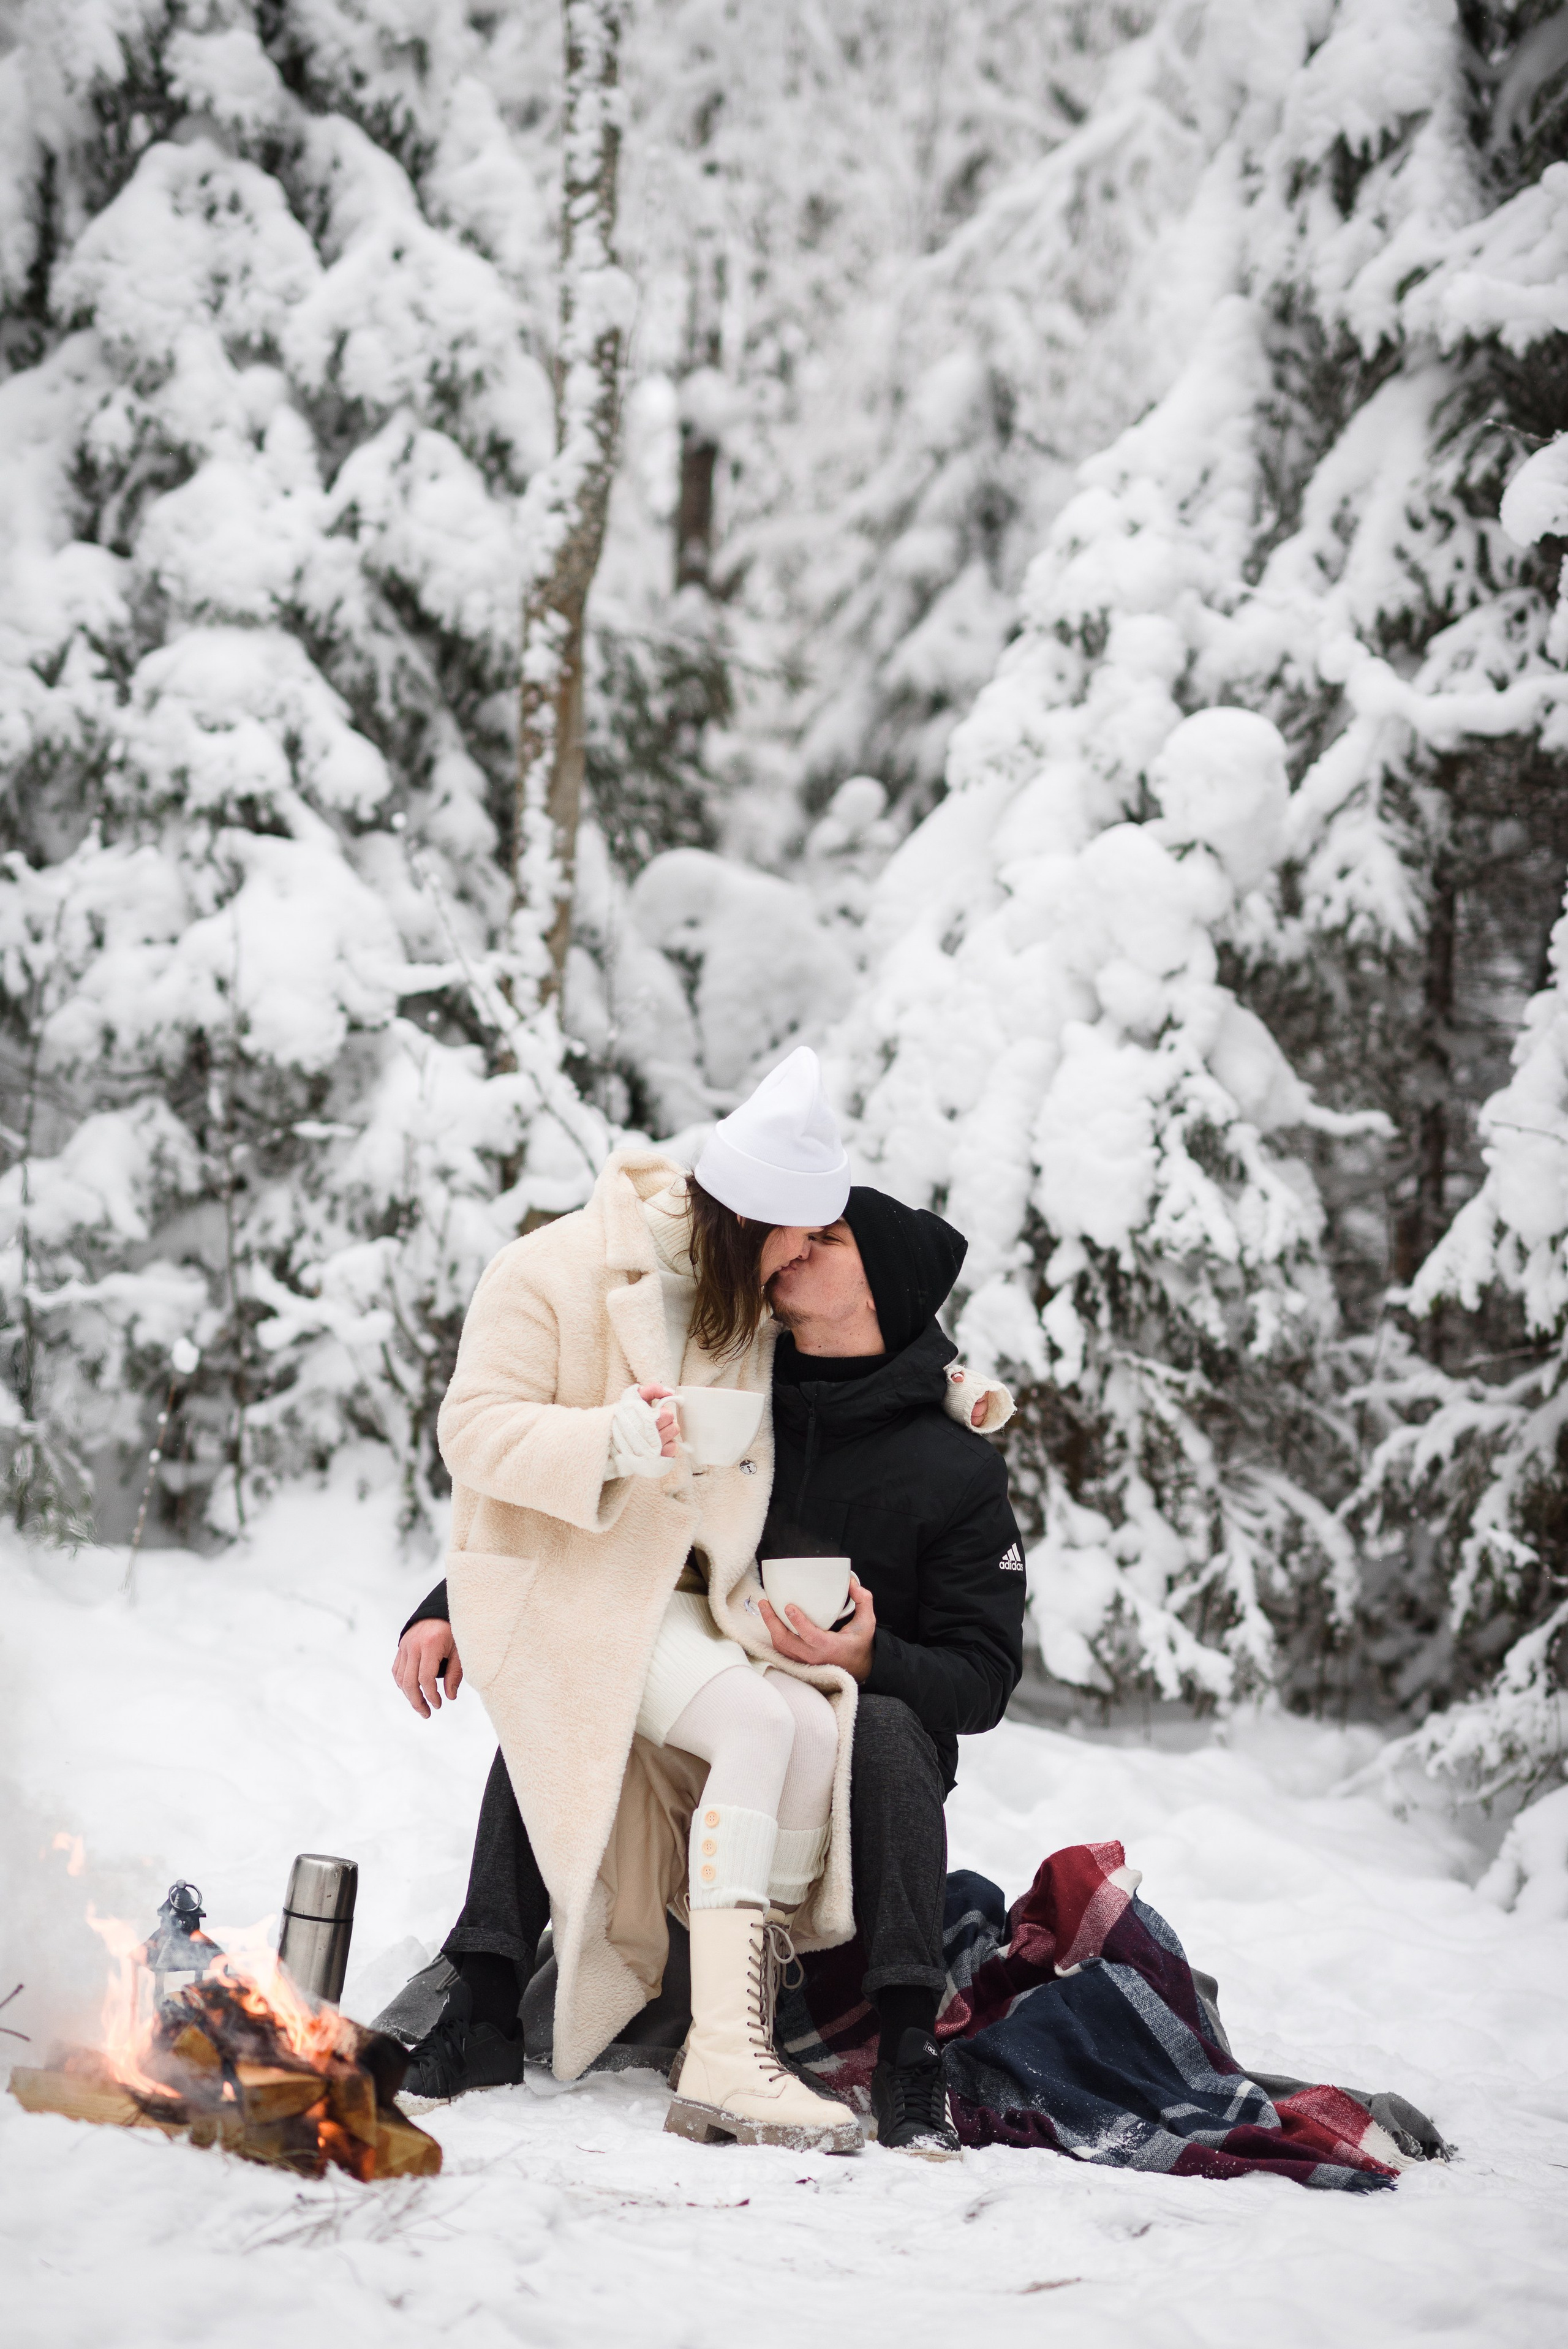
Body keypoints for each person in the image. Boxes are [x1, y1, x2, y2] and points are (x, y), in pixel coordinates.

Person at [384, 1088, 1026, 2159]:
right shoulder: (752, 1378)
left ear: (884, 1283)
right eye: (796, 1228)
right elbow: (621, 1527)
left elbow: (984, 1679)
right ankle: (490, 1979)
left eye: (826, 1239)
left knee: (888, 1725)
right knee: (582, 1658)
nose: (792, 1253)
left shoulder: (957, 1471)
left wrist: (877, 1655)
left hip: (862, 1753)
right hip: (724, 1675)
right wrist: (455, 1600)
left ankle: (911, 2051)